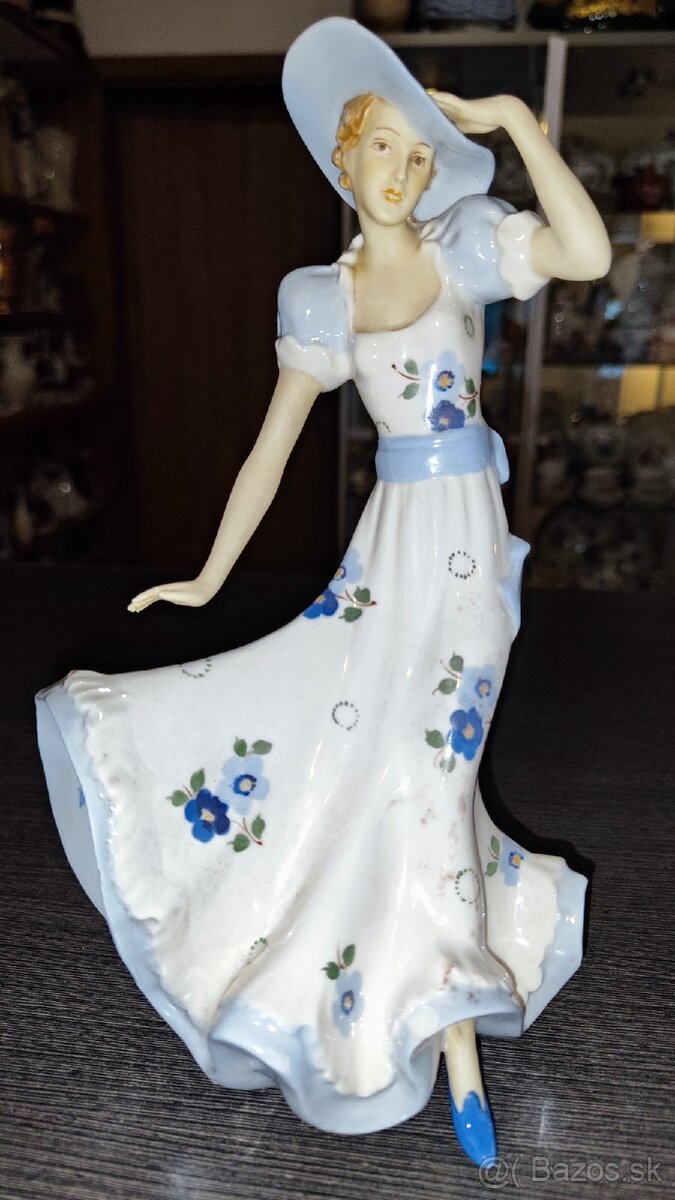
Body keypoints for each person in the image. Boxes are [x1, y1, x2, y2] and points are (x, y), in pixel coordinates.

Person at [36, 18, 610, 1168]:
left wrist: (516, 124)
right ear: (343, 158)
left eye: (417, 152)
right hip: (388, 550)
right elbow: (270, 449)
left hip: (467, 552)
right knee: (382, 767)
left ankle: (454, 1039)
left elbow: (588, 255)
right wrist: (208, 574)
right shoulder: (321, 297)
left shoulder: (464, 249)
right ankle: (442, 1026)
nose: (400, 169)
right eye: (380, 146)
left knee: (434, 772)